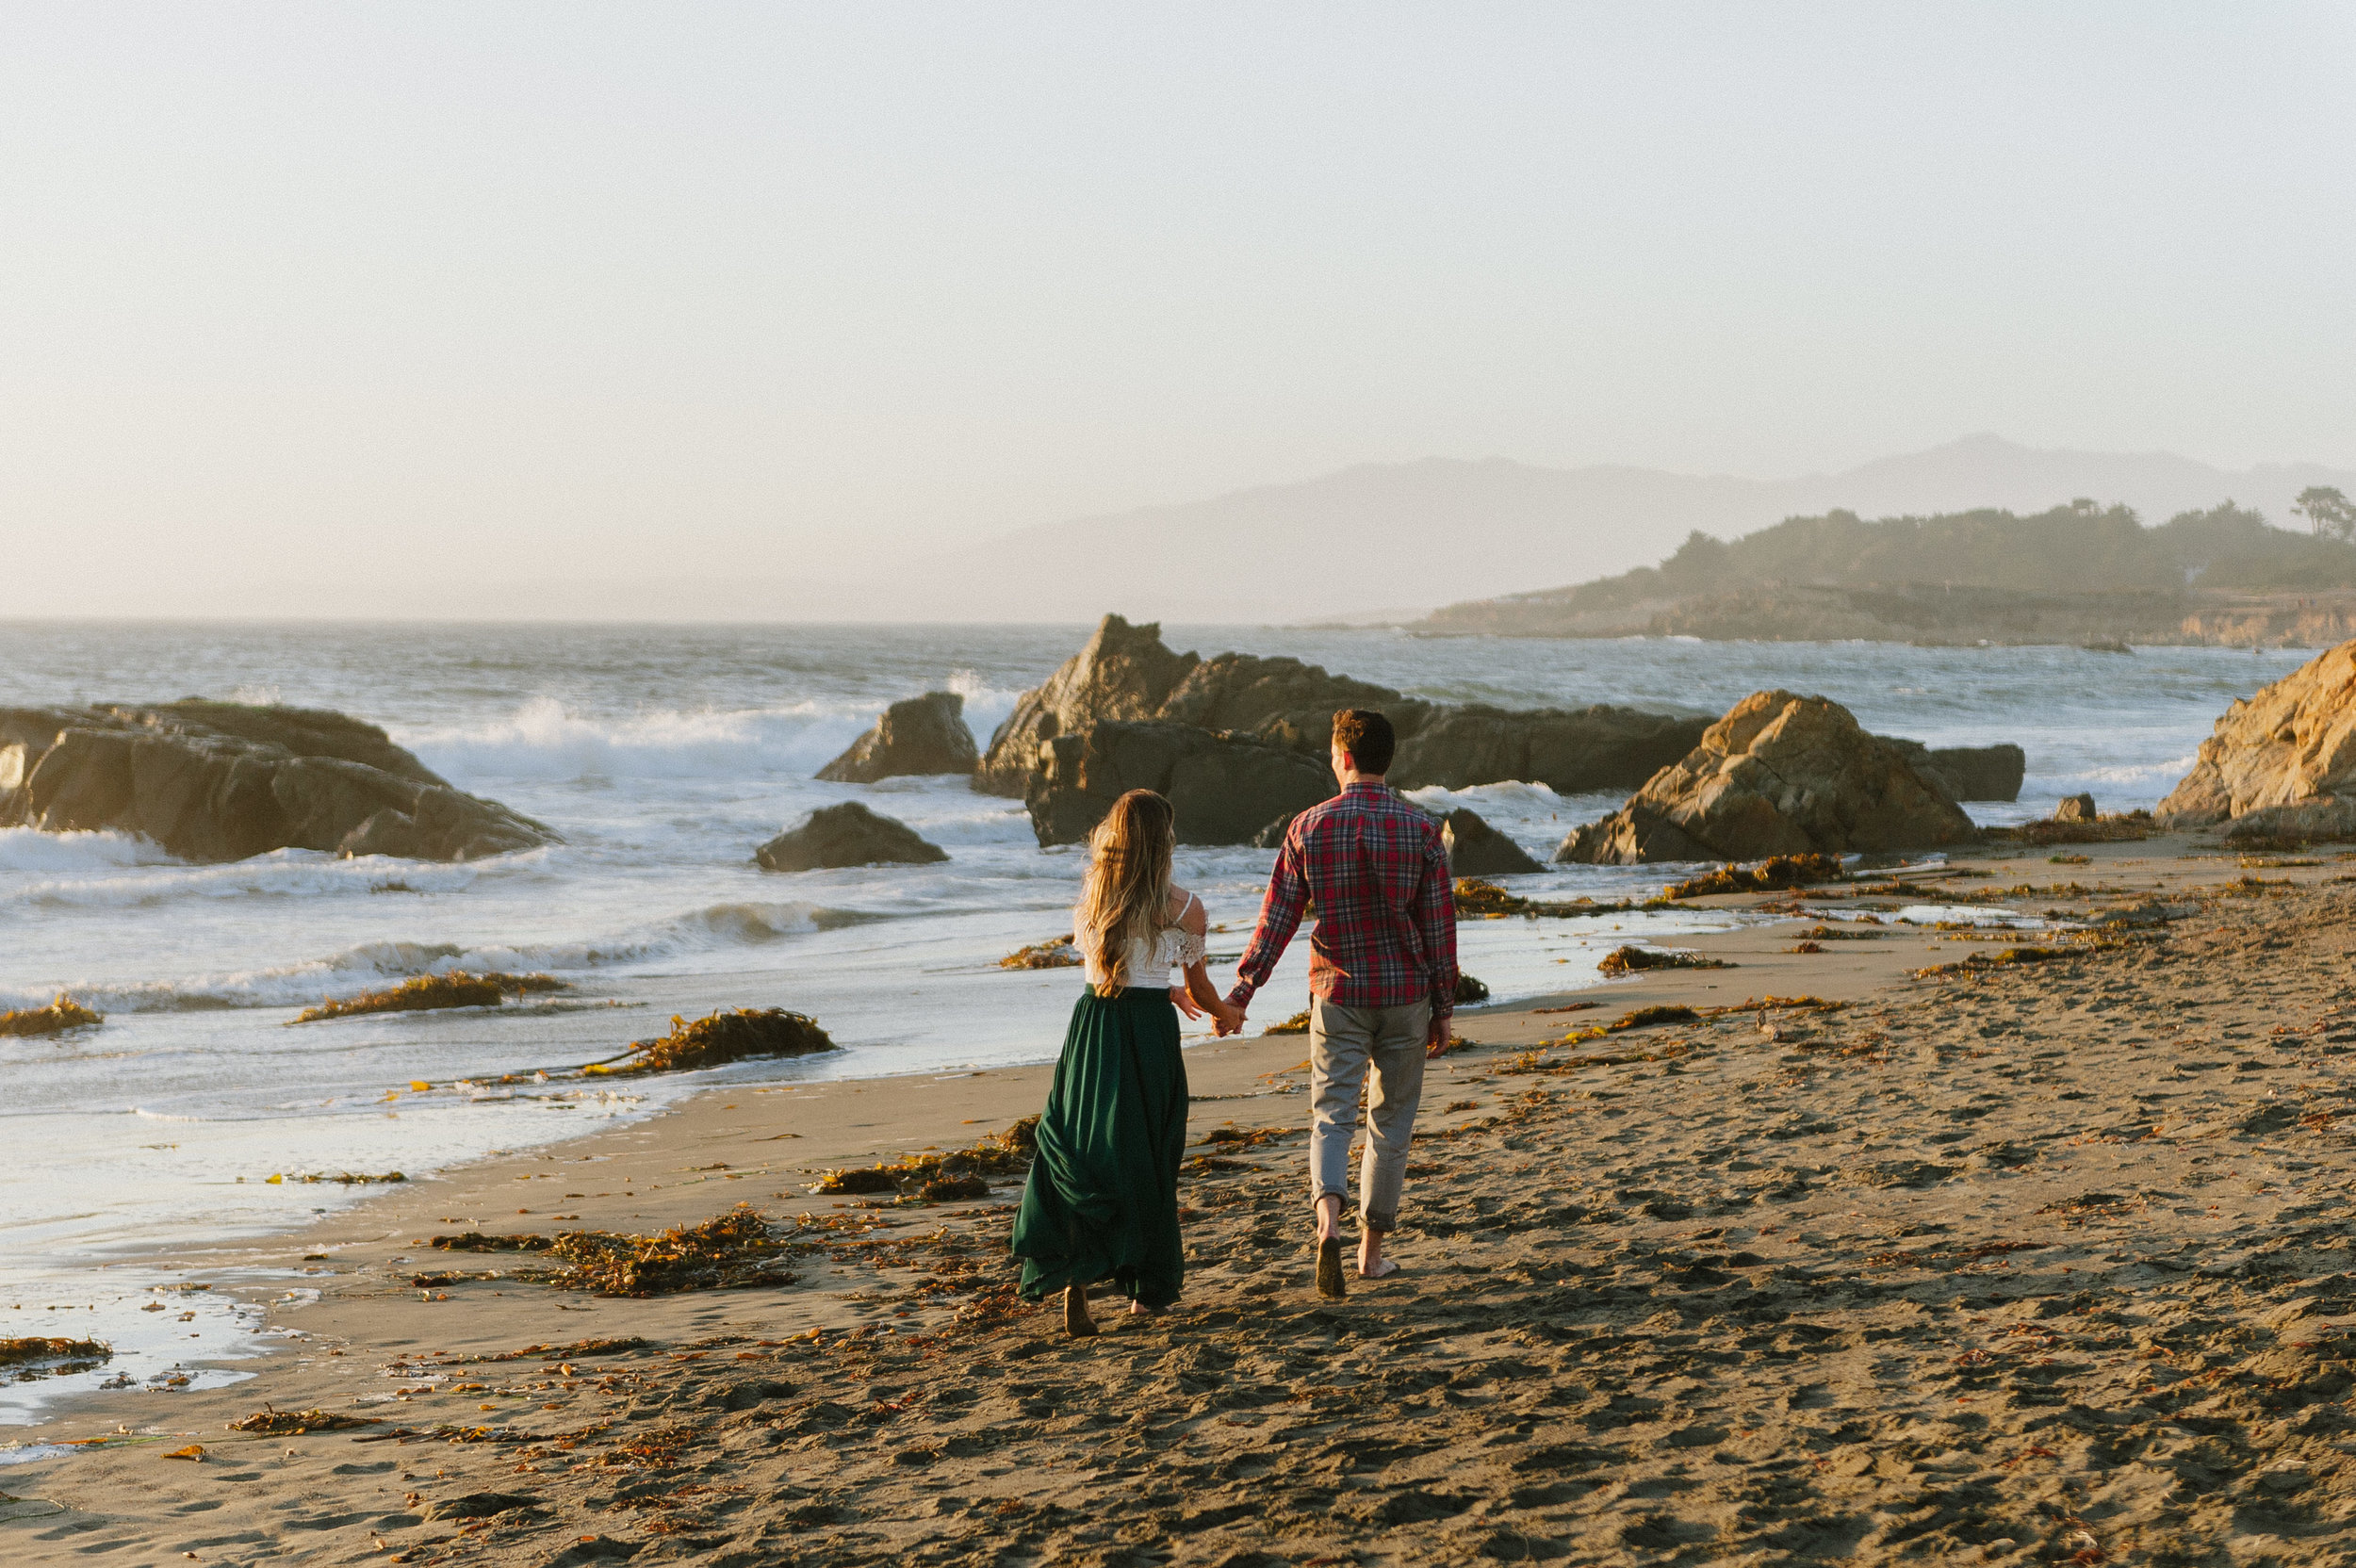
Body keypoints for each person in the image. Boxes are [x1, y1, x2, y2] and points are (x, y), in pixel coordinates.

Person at [1220, 709, 1459, 1299]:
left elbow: (1276, 921)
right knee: (1391, 1124)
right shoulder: (1422, 830)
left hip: (1337, 993)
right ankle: (1371, 1253)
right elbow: (1440, 928)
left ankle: (1328, 1220)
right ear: (1386, 759)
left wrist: (1243, 990)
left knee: (1331, 1115)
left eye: (1332, 752)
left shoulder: (1307, 828)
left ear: (1344, 757)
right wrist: (1445, 1004)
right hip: (1405, 996)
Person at [1011, 789, 1242, 1336]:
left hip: (1092, 1028)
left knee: (1082, 1146)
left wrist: (1161, 992)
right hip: (1145, 1036)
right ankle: (1145, 1291)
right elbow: (1200, 985)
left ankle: (1078, 1278)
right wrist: (1227, 1013)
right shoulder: (1183, 906)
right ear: (1164, 840)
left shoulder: (1094, 894)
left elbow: (1114, 970)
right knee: (1149, 1150)